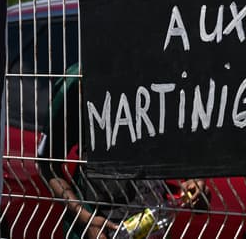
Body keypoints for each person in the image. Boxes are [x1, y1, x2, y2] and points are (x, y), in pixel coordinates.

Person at [38, 64, 208, 239]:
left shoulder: (165, 75)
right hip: (99, 226)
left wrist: (194, 179)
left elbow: (179, 142)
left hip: (152, 225)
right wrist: (85, 218)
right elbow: (47, 163)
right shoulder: (78, 80)